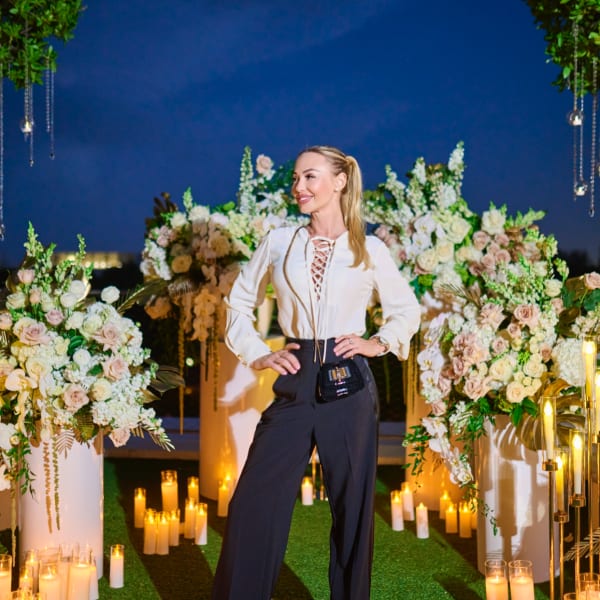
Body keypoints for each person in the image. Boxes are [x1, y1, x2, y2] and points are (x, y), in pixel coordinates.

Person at [211, 145, 421, 600]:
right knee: (253, 502)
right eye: (296, 178)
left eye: (310, 177)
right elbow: (239, 303)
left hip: (349, 382)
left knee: (352, 510)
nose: (298, 187)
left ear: (340, 181)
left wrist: (378, 342)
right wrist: (257, 353)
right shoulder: (279, 241)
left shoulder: (370, 248)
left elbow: (406, 309)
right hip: (295, 376)